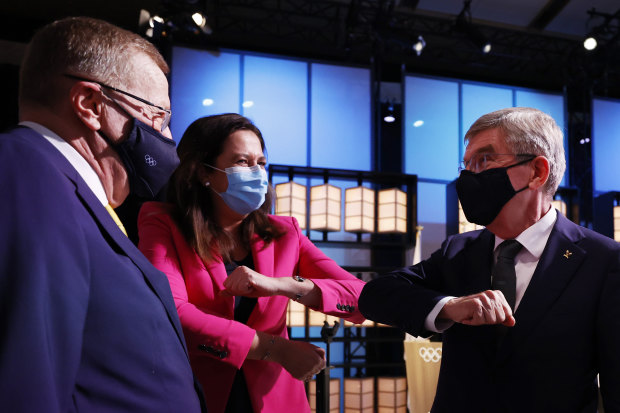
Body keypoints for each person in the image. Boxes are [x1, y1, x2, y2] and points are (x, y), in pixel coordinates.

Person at [0, 17, 205, 412]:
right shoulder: (27, 173)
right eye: (157, 117)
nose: (166, 140)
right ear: (92, 105)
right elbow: (25, 380)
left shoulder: (68, 192)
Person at [359, 107, 620, 412]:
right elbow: (375, 295)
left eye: (484, 160)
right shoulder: (457, 251)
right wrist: (449, 307)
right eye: (465, 165)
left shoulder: (603, 261)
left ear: (537, 172)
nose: (469, 177)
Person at [137, 113, 366, 413]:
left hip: (276, 401)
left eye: (261, 162)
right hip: (196, 395)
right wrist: (277, 350)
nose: (257, 172)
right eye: (242, 162)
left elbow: (361, 297)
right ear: (202, 172)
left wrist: (282, 286)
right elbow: (172, 313)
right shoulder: (163, 222)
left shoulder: (285, 233)